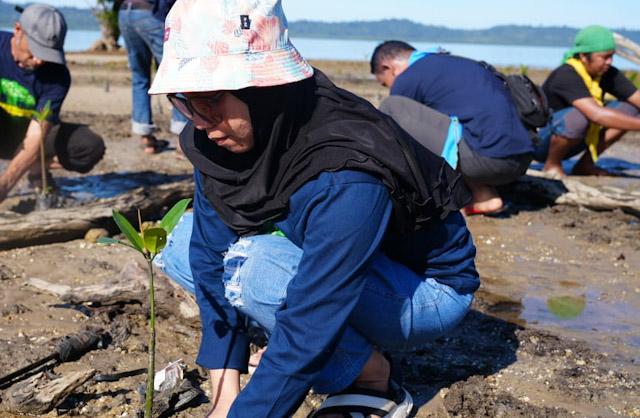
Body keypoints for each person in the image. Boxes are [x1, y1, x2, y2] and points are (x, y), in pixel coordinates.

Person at [148, 1, 480, 417]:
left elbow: (310, 320)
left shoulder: (347, 168)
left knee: (251, 268)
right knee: (177, 240)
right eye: (185, 101)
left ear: (263, 89)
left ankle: (371, 376)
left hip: (424, 292)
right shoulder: (215, 137)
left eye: (212, 100)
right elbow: (207, 252)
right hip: (346, 267)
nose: (200, 120)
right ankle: (330, 347)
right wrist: (225, 396)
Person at [0, 4, 105, 211]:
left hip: (34, 138)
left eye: (48, 53)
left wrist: (5, 184)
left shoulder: (58, 76)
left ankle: (35, 167)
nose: (40, 60)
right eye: (36, 51)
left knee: (89, 146)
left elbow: (36, 135)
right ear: (17, 30)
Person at [371, 41, 534, 215]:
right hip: (521, 159)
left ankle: (446, 198)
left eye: (384, 83)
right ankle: (483, 196)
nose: (389, 87)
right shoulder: (453, 63)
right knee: (463, 125)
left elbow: (398, 135)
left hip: (485, 162)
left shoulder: (408, 77)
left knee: (391, 107)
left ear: (387, 67)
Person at [533, 25, 640, 177]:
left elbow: (637, 99)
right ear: (583, 56)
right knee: (580, 116)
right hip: (542, 143)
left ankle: (585, 165)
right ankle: (552, 166)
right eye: (604, 57)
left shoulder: (608, 73)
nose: (609, 62)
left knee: (630, 108)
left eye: (611, 56)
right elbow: (597, 115)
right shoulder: (565, 75)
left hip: (578, 138)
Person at [118, 0, 188, 154]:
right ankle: (182, 140)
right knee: (176, 73)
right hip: (149, 13)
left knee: (140, 77)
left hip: (125, 13)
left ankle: (146, 139)